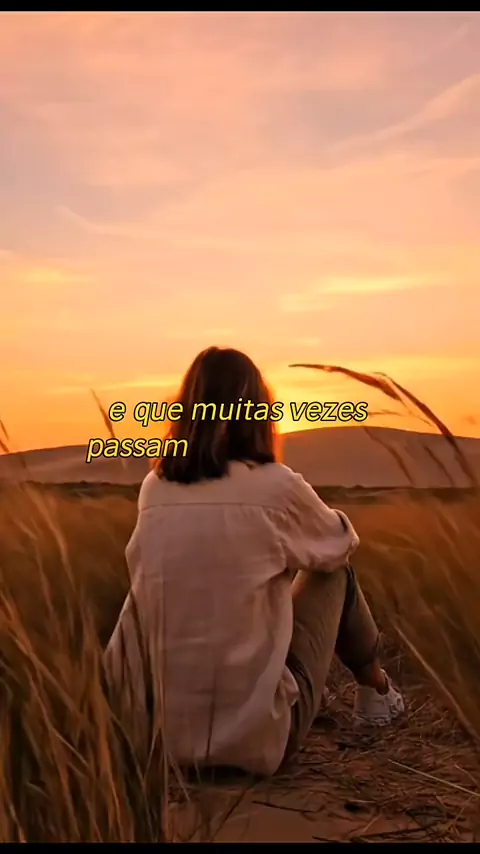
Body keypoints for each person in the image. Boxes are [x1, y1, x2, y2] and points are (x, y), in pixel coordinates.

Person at [104, 346, 404, 777]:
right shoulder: (275, 486)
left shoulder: (156, 486)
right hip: (254, 741)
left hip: (151, 739)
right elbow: (340, 545)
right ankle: (377, 693)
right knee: (335, 574)